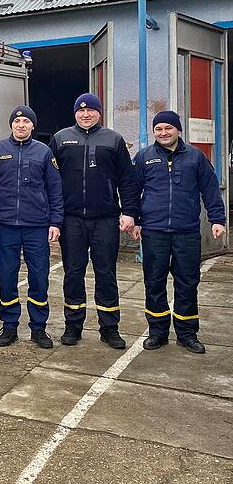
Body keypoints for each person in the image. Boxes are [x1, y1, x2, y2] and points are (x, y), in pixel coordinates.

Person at [49, 93, 140, 349]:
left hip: (106, 219)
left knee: (106, 273)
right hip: (71, 220)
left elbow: (127, 179)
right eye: (80, 110)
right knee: (73, 274)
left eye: (90, 110)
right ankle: (73, 326)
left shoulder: (113, 139)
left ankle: (109, 328)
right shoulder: (60, 139)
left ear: (99, 113)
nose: (85, 114)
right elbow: (50, 181)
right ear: (75, 113)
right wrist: (53, 217)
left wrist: (130, 211)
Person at [131, 111, 226, 354]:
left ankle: (187, 333)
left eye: (168, 128)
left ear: (178, 130)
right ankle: (158, 332)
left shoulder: (196, 157)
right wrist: (135, 220)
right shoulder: (144, 157)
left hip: (186, 232)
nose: (163, 133)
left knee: (187, 283)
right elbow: (133, 191)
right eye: (159, 129)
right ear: (154, 132)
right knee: (154, 282)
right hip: (154, 231)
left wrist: (217, 219)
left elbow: (211, 190)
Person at [0, 106, 64, 349]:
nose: (21, 125)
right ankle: (9, 326)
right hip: (5, 226)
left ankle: (38, 328)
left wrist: (55, 222)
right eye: (17, 121)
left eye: (26, 121)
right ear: (11, 125)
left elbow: (55, 190)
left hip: (36, 226)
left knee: (39, 277)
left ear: (32, 126)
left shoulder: (44, 152)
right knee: (7, 278)